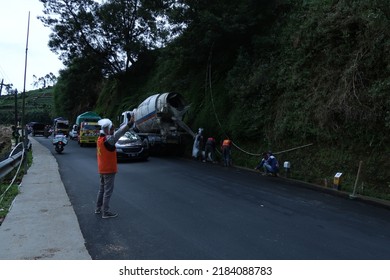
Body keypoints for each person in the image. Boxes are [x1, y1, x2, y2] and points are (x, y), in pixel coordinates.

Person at [95, 116, 134, 219]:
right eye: (111, 129)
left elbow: (115, 134)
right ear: (106, 129)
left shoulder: (100, 139)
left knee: (102, 189)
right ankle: (105, 212)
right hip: (108, 170)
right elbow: (119, 134)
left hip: (102, 169)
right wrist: (129, 124)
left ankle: (98, 208)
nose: (113, 131)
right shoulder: (108, 141)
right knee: (108, 191)